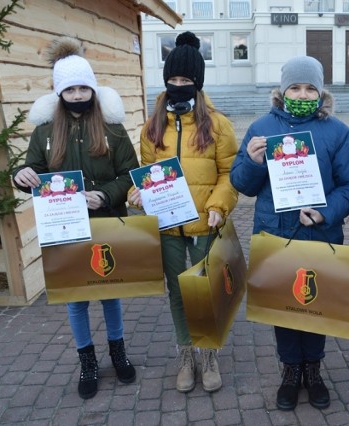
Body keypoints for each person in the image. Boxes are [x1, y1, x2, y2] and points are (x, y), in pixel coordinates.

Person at [230, 56, 349, 411]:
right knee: (282, 307)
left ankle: (314, 369)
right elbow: (242, 185)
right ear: (282, 90)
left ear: (320, 92)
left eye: (310, 88)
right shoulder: (261, 128)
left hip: (319, 235)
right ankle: (291, 371)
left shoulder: (337, 131)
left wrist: (326, 212)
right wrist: (251, 160)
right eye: (295, 87)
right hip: (275, 236)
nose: (302, 94)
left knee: (315, 305)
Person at [12, 37, 139, 399]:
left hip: (104, 223)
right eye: (71, 89)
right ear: (60, 92)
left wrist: (106, 195)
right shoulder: (45, 133)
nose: (79, 95)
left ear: (93, 89)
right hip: (64, 229)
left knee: (110, 292)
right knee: (76, 298)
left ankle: (118, 351)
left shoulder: (112, 129)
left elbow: (130, 173)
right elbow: (32, 172)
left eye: (85, 87)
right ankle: (87, 360)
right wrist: (21, 177)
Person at [127, 31, 238, 394]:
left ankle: (208, 353)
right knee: (177, 292)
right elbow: (142, 175)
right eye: (172, 80)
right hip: (168, 227)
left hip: (205, 223)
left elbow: (229, 173)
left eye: (185, 81)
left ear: (197, 83)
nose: (178, 86)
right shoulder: (152, 126)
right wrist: (137, 195)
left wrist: (219, 206)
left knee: (203, 289)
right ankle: (185, 354)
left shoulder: (217, 124)